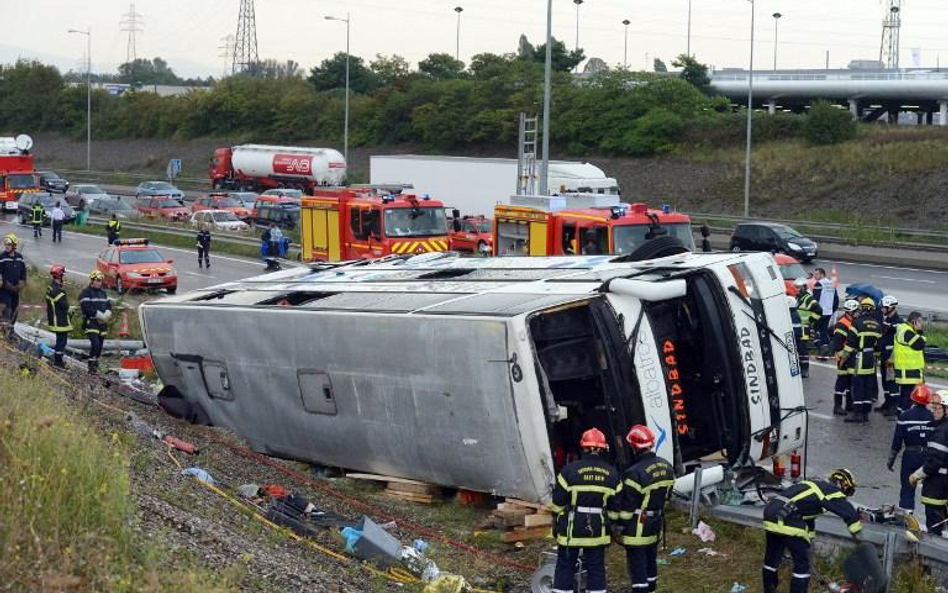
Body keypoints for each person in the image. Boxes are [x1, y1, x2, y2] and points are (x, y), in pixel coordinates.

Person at [762, 469, 862, 593]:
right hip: (788, 518)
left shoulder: (813, 486)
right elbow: (848, 512)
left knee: (771, 558)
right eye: (848, 491)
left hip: (771, 513)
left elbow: (807, 516)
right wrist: (859, 537)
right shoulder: (831, 490)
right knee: (802, 565)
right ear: (843, 485)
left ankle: (769, 589)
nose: (845, 495)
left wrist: (809, 541)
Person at [548, 428, 622, 593]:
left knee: (565, 566)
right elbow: (615, 507)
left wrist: (556, 520)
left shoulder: (569, 470)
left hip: (571, 529)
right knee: (596, 568)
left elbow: (558, 502)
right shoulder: (612, 474)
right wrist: (611, 525)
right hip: (597, 530)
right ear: (602, 449)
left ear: (583, 447)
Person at [617, 425, 675, 593]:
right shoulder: (667, 467)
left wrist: (618, 525)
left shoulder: (633, 473)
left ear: (634, 447)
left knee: (637, 565)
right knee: (651, 559)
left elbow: (628, 507)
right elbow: (668, 496)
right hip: (656, 523)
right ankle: (652, 588)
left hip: (637, 527)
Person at [889, 384, 934, 513]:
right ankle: (934, 518)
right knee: (932, 490)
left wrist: (891, 460)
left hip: (910, 456)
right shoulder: (932, 417)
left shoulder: (904, 416)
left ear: (913, 399)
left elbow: (897, 441)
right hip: (928, 457)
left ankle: (906, 516)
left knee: (907, 488)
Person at [912, 390, 948, 535]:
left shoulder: (941, 431)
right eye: (933, 407)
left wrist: (916, 475)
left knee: (934, 527)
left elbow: (934, 461)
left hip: (937, 486)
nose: (933, 411)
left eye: (937, 408)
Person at [844, 298, 883, 423]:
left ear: (862, 308)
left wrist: (845, 357)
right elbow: (879, 345)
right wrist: (875, 356)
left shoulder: (857, 322)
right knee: (867, 387)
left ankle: (857, 414)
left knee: (858, 387)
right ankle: (866, 413)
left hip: (859, 358)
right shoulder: (877, 324)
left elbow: (850, 343)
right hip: (870, 358)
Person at [894, 311, 927, 414]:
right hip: (908, 370)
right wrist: (920, 332)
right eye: (920, 322)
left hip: (910, 370)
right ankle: (904, 416)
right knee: (907, 397)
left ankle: (901, 415)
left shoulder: (908, 330)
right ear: (914, 322)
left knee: (906, 396)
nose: (922, 324)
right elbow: (920, 344)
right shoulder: (906, 331)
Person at [79, 270, 112, 374]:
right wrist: (98, 314)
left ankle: (95, 363)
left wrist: (108, 313)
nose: (99, 283)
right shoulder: (86, 292)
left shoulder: (103, 293)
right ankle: (91, 366)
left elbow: (108, 305)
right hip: (91, 322)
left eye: (100, 281)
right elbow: (86, 307)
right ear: (92, 280)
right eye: (97, 280)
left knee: (100, 346)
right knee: (95, 344)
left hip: (102, 323)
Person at [831, 299, 859, 415]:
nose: (858, 313)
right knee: (841, 382)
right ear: (850, 312)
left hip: (850, 357)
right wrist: (844, 358)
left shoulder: (853, 322)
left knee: (850, 382)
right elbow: (837, 345)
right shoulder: (842, 324)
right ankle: (837, 406)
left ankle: (849, 404)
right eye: (856, 311)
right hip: (843, 358)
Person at [876, 295, 902, 415]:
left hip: (892, 356)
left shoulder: (898, 322)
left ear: (890, 308)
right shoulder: (887, 320)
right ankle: (887, 403)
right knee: (885, 381)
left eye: (883, 307)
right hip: (884, 354)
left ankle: (893, 406)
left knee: (892, 381)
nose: (882, 310)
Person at [794, 277, 822, 379]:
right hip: (797, 329)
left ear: (804, 287)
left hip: (803, 329)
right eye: (796, 287)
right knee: (797, 350)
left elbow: (819, 310)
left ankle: (805, 370)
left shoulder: (808, 298)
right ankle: (799, 369)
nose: (796, 289)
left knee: (803, 351)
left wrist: (810, 320)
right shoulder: (798, 298)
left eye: (798, 287)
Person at [45, 264, 72, 368]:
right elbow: (64, 305)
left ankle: (58, 360)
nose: (63, 278)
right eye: (63, 275)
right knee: (62, 341)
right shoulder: (57, 290)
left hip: (55, 319)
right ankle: (58, 362)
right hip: (59, 320)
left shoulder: (51, 288)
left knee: (60, 340)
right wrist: (70, 308)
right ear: (59, 276)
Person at [0, 234, 27, 335]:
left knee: (15, 309)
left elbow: (23, 271)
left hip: (16, 290)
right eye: (5, 244)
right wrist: (5, 283)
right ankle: (4, 332)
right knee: (7, 309)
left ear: (14, 246)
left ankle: (10, 331)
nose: (6, 246)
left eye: (9, 245)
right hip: (4, 290)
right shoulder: (2, 257)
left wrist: (22, 281)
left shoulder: (19, 257)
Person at [811, 268, 837, 347]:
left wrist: (813, 309)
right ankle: (825, 345)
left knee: (815, 329)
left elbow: (815, 298)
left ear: (822, 274)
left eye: (816, 274)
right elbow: (836, 298)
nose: (815, 276)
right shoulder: (832, 284)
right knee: (824, 329)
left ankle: (818, 345)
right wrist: (833, 309)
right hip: (828, 311)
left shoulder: (819, 284)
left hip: (820, 311)